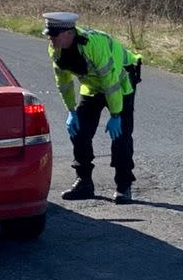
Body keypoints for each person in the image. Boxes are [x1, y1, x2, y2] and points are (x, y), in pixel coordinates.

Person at [43, 12, 142, 204]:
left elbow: (110, 82)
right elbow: (63, 82)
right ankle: (84, 183)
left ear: (69, 34)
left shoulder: (93, 45)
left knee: (121, 136)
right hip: (92, 86)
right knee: (79, 132)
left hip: (120, 83)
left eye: (54, 36)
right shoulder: (55, 49)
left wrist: (115, 115)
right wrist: (71, 111)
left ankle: (124, 186)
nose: (50, 39)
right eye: (49, 35)